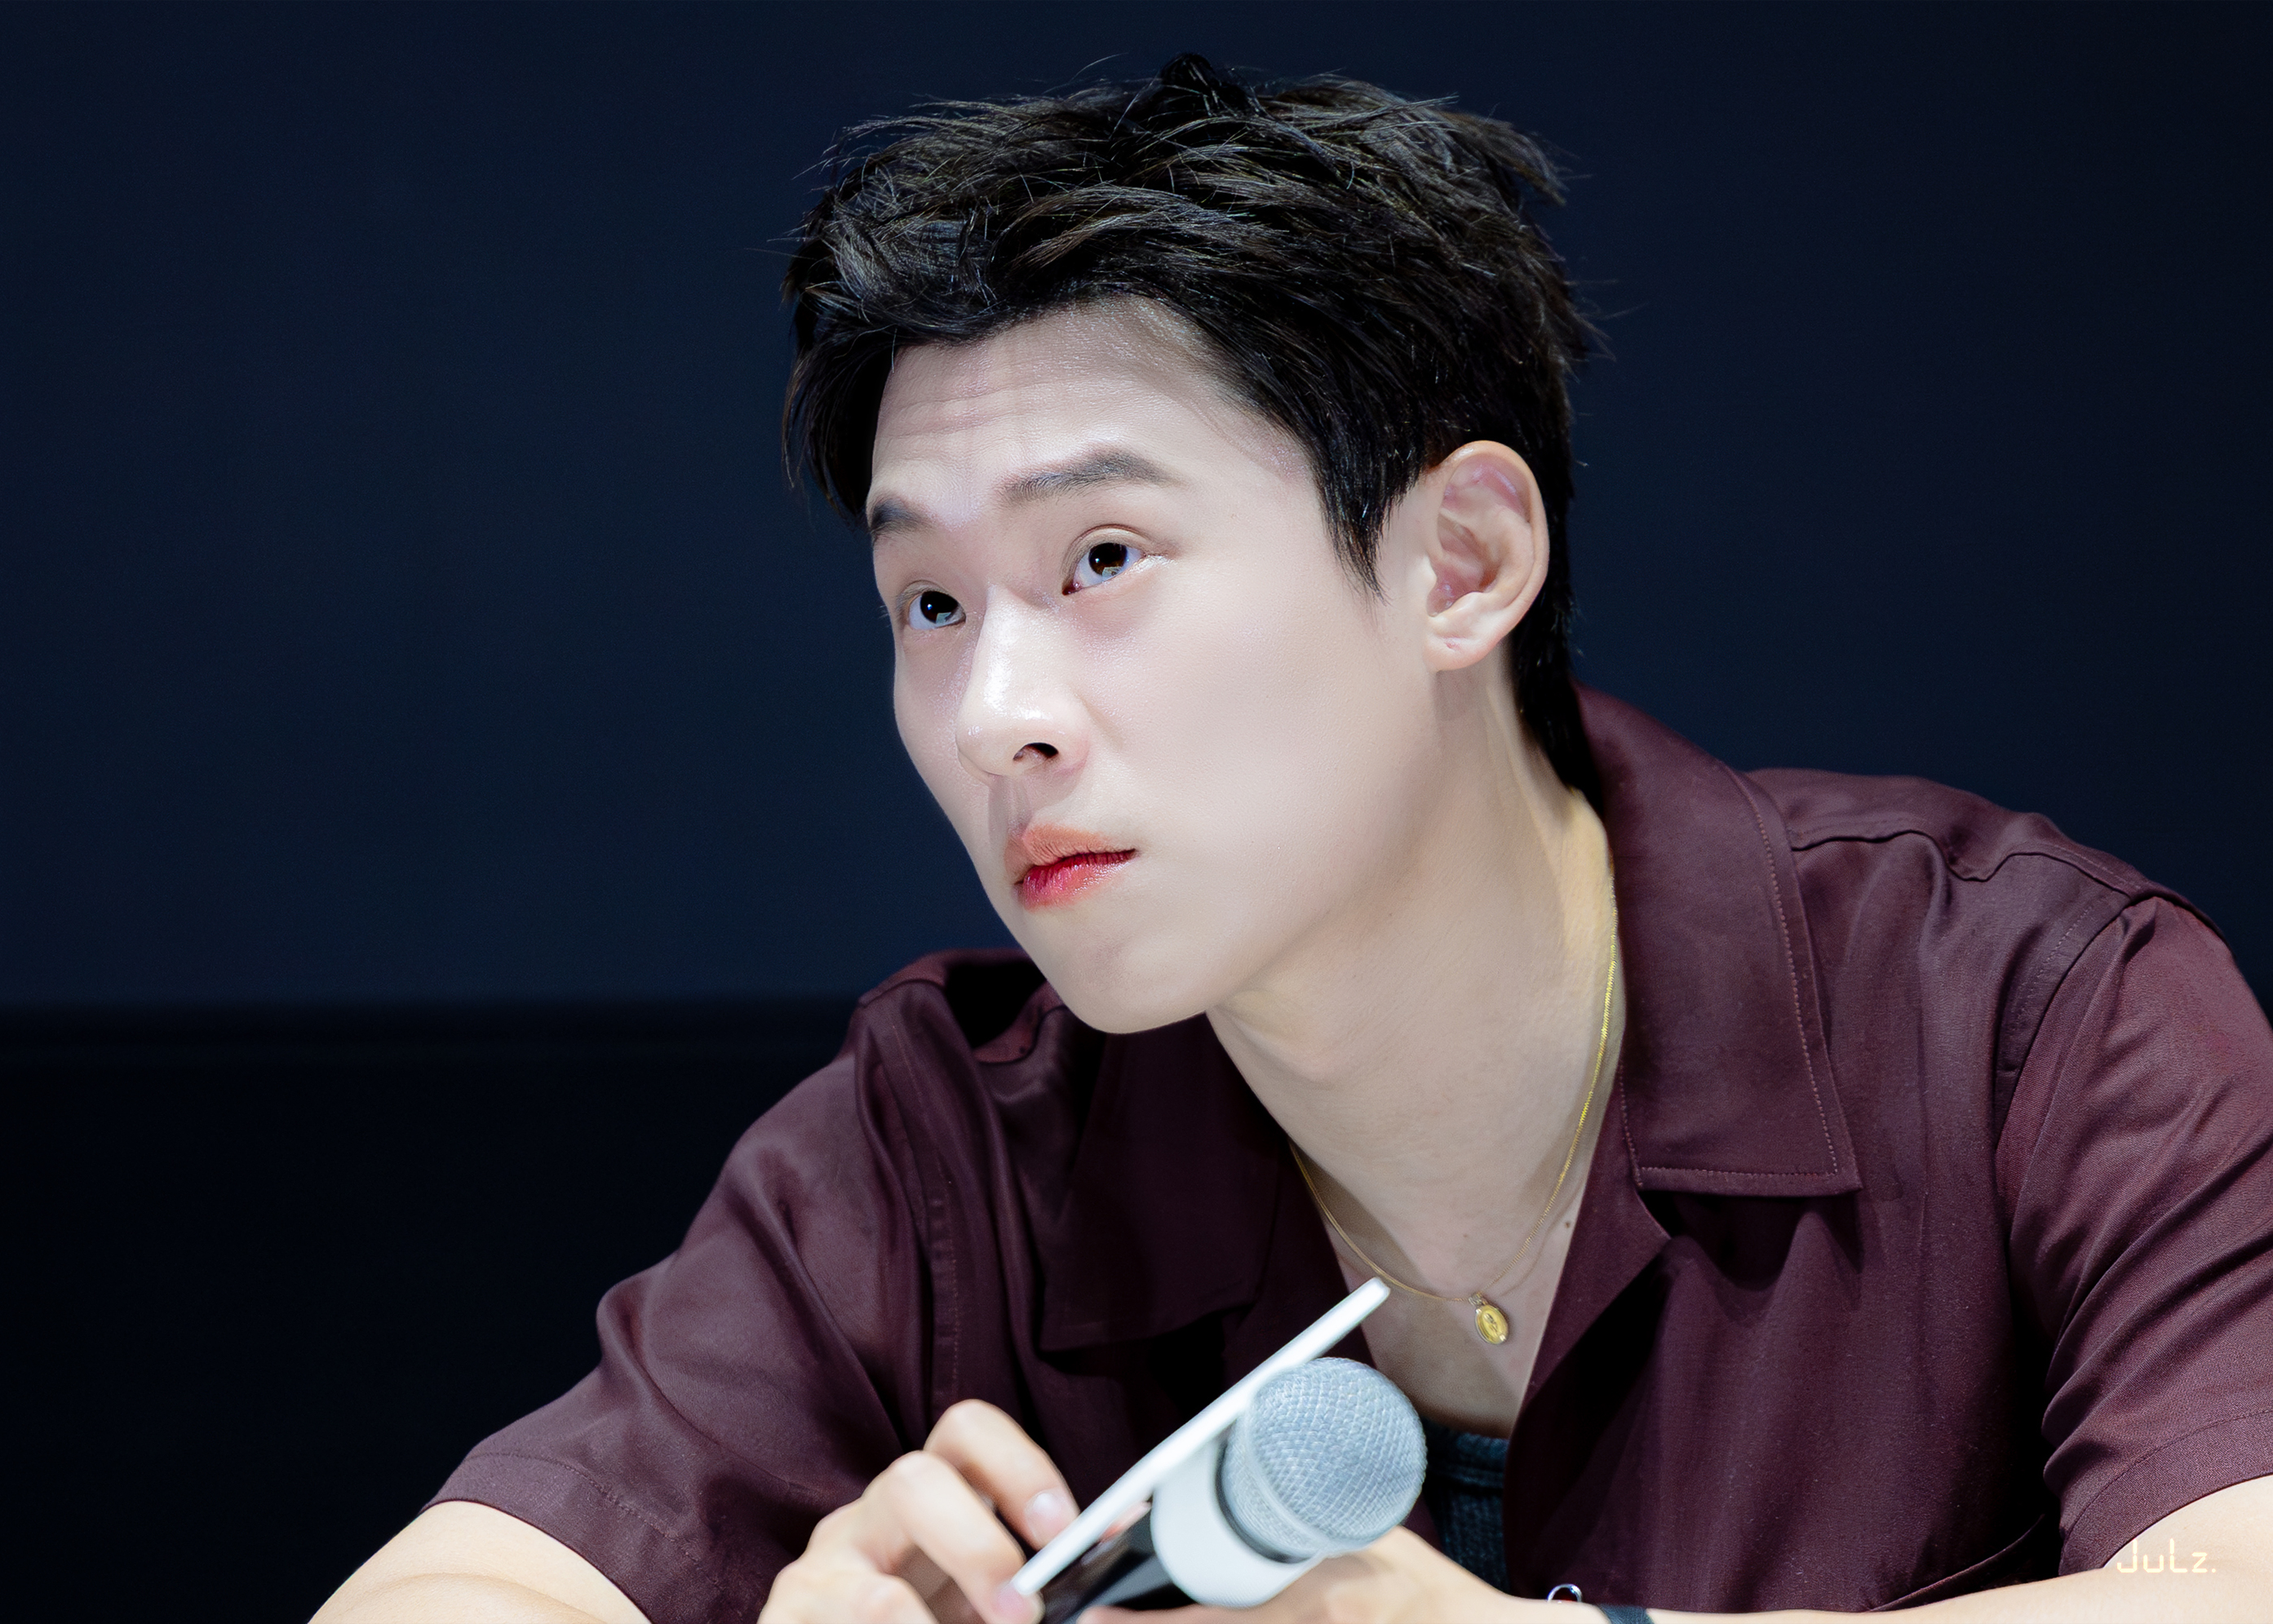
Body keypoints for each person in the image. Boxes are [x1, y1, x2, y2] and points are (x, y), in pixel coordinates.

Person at [312, 55, 2271, 1624]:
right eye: (931, 604)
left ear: (1461, 561)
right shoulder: (947, 1151)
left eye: (1102, 557)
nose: (994, 715)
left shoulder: (2028, 1018)